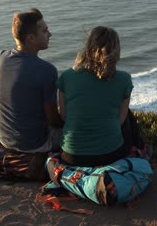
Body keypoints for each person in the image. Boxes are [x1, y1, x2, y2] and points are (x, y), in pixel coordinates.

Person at [57, 26, 133, 166]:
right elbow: (120, 120)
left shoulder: (67, 77)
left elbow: (64, 116)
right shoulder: (124, 79)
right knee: (128, 115)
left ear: (89, 48)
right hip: (111, 155)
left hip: (71, 156)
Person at [0, 8, 62, 153]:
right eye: (44, 31)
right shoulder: (46, 70)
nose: (50, 34)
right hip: (34, 144)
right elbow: (53, 120)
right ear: (31, 38)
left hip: (5, 138)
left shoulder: (0, 58)